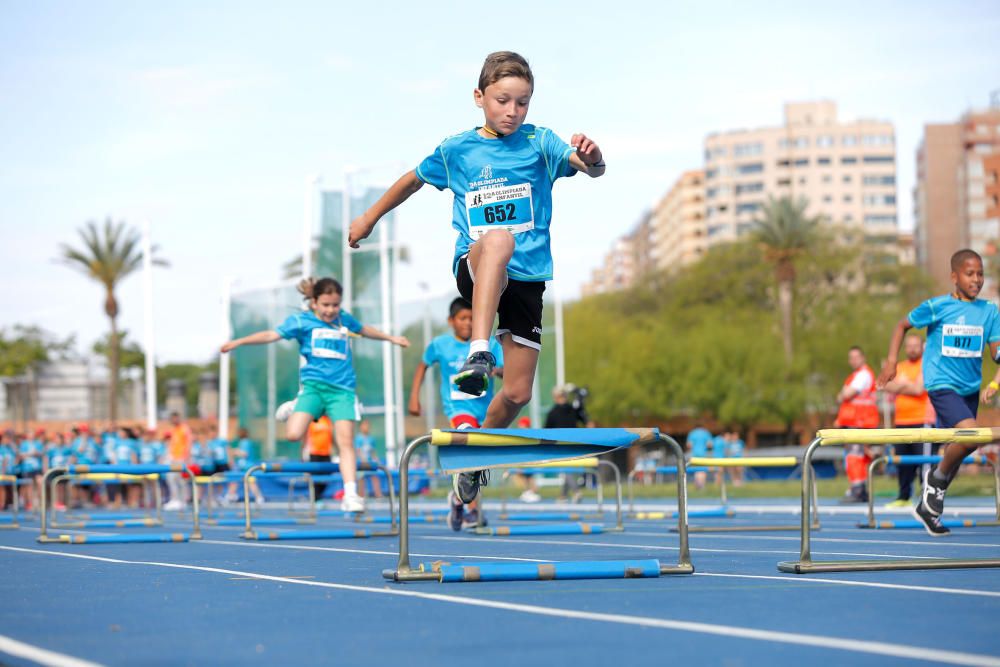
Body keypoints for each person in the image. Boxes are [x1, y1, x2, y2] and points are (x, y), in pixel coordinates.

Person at [350, 51, 605, 506]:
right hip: (477, 265)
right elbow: (412, 180)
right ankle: (479, 350)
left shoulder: (539, 142)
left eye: (522, 102)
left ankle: (475, 461)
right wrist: (369, 218)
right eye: (503, 100)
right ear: (479, 97)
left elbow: (588, 167)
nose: (512, 111)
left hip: (527, 281)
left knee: (518, 393)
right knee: (499, 240)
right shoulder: (458, 150)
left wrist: (594, 157)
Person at [221, 277, 408, 513]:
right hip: (313, 388)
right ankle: (294, 406)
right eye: (326, 305)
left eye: (335, 305)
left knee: (346, 443)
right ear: (314, 303)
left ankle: (351, 495)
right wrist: (240, 341)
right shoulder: (301, 321)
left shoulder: (344, 319)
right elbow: (271, 335)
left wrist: (391, 338)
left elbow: (364, 330)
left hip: (342, 391)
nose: (331, 310)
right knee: (292, 434)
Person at [878, 249, 1000, 536]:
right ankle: (937, 479)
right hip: (941, 385)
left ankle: (929, 507)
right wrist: (892, 361)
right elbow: (902, 325)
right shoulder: (937, 307)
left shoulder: (989, 311)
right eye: (970, 274)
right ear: (954, 276)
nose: (977, 280)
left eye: (980, 274)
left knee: (962, 448)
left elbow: (996, 353)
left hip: (969, 389)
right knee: (972, 436)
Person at [408, 297, 504, 529]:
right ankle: (472, 511)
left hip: (485, 409)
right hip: (457, 408)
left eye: (473, 318)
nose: (468, 323)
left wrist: (497, 372)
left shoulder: (489, 344)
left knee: (477, 459)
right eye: (463, 318)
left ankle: (458, 500)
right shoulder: (440, 345)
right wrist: (414, 396)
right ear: (451, 321)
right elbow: (423, 365)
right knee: (470, 444)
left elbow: (504, 369)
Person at [881, 333, 933, 507]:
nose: (912, 349)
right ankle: (903, 497)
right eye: (909, 345)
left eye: (915, 345)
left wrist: (899, 385)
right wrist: (904, 384)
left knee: (924, 462)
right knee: (902, 463)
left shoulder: (927, 364)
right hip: (901, 421)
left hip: (922, 419)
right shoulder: (899, 366)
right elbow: (883, 385)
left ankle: (927, 497)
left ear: (921, 347)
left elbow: (919, 389)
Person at [835, 346, 879, 503]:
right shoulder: (855, 375)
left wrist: (842, 394)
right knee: (858, 456)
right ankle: (859, 488)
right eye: (851, 357)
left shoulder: (863, 375)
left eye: (856, 357)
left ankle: (858, 489)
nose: (853, 360)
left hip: (861, 422)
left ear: (863, 357)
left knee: (855, 456)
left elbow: (846, 395)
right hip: (855, 422)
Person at [545, 386, 593, 502]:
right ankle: (563, 495)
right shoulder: (574, 409)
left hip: (561, 445)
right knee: (568, 469)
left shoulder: (552, 413)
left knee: (566, 469)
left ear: (555, 397)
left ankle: (576, 491)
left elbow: (546, 431)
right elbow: (588, 423)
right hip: (574, 443)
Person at [163, 412, 193, 510]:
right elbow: (169, 443)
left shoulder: (184, 429)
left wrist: (187, 457)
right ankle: (174, 499)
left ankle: (183, 499)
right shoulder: (172, 430)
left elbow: (188, 443)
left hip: (181, 457)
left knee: (180, 479)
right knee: (170, 478)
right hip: (172, 457)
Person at [304, 415, 334, 503]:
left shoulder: (328, 420)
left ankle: (319, 496)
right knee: (315, 477)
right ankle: (316, 498)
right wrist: (304, 453)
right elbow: (305, 438)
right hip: (314, 453)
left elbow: (332, 436)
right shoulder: (311, 421)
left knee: (327, 476)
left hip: (326, 453)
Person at [352, 420, 384, 500]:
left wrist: (376, 460)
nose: (366, 427)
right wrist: (363, 460)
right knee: (361, 480)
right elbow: (358, 451)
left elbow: (373, 451)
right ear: (360, 427)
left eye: (367, 426)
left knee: (375, 477)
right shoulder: (358, 438)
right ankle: (360, 496)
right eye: (364, 425)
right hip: (361, 463)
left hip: (370, 462)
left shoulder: (371, 439)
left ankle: (378, 495)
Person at [685, 423, 712, 490]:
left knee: (696, 470)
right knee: (703, 470)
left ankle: (697, 485)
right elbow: (709, 444)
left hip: (694, 454)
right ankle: (702, 485)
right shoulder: (706, 432)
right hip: (703, 454)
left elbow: (689, 445)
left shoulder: (692, 433)